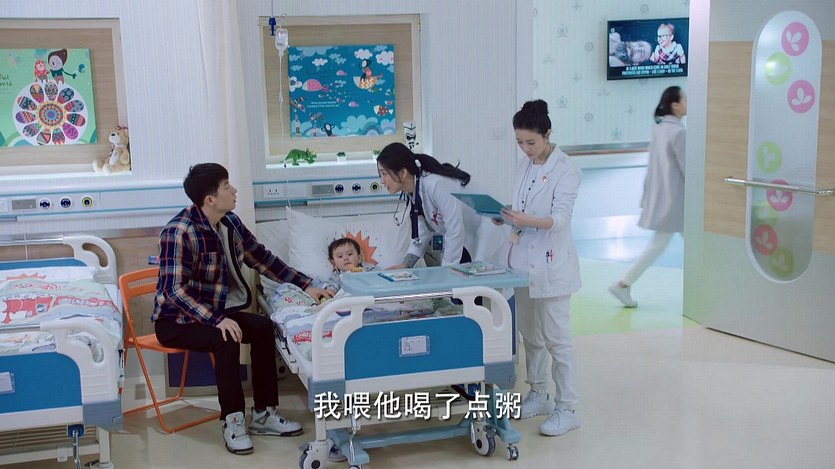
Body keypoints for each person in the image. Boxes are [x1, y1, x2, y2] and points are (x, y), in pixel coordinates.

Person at [152, 163, 334, 456]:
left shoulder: (230, 223)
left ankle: (263, 413)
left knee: (262, 327)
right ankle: (233, 420)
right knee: (225, 338)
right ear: (210, 199)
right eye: (227, 186)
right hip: (176, 321)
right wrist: (216, 319)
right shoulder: (179, 232)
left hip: (215, 314)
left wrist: (306, 285)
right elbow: (174, 291)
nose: (234, 190)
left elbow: (262, 259)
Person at [500, 99, 582, 437]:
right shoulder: (523, 165)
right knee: (530, 336)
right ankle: (539, 393)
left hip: (553, 266)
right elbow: (522, 206)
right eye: (519, 142)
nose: (525, 148)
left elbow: (560, 219)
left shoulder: (567, 169)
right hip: (522, 264)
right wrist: (508, 216)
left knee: (557, 340)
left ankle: (568, 408)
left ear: (548, 133)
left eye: (531, 142)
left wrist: (526, 220)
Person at [609, 86, 687, 308]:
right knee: (670, 244)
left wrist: (646, 196)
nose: (687, 103)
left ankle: (624, 284)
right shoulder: (679, 133)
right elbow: (687, 169)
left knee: (664, 244)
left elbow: (652, 167)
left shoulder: (659, 130)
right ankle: (623, 284)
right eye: (685, 100)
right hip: (678, 201)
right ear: (675, 105)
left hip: (664, 199)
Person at [376, 142, 507, 269]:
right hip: (469, 237)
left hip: (488, 227)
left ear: (403, 173)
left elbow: (454, 229)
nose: (382, 181)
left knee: (484, 278)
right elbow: (421, 232)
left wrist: (446, 270)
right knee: (468, 276)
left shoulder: (437, 184)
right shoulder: (414, 190)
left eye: (384, 173)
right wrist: (406, 264)